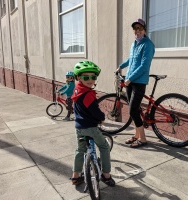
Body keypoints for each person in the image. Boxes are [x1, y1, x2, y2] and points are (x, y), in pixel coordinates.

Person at [70, 61, 115, 186]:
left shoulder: (77, 89)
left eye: (93, 77)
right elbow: (95, 112)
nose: (90, 80)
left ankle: (76, 175)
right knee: (104, 147)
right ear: (79, 77)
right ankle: (106, 175)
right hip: (90, 127)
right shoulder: (88, 94)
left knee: (80, 150)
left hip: (79, 127)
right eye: (86, 77)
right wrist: (101, 117)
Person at [116, 18, 155, 148]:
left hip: (138, 81)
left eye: (140, 28)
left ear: (144, 30)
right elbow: (131, 59)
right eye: (135, 28)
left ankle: (143, 139)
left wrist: (130, 78)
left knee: (132, 111)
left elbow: (144, 66)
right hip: (130, 81)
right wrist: (121, 66)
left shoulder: (148, 44)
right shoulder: (134, 44)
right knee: (136, 110)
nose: (137, 31)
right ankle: (136, 135)